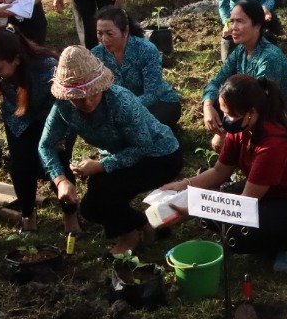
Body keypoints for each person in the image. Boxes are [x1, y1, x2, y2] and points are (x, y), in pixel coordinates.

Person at [162, 74, 287, 272]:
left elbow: (244, 204)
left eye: (230, 114)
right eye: (224, 113)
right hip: (266, 195)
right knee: (216, 218)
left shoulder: (272, 144)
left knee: (235, 236)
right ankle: (275, 233)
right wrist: (182, 185)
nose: (226, 120)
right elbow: (219, 171)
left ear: (251, 113)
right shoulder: (239, 129)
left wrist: (196, 208)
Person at [40, 46, 182, 254]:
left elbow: (143, 146)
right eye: (78, 98)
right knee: (90, 208)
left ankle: (130, 237)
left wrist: (102, 165)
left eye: (93, 94)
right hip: (122, 157)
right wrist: (60, 180)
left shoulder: (121, 102)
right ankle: (144, 222)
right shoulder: (63, 108)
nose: (87, 102)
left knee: (103, 190)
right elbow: (46, 144)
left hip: (160, 156)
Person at [0, 25, 78, 233]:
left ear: (17, 59)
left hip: (52, 115)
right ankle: (28, 213)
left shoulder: (48, 70)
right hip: (18, 117)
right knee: (21, 166)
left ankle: (71, 214)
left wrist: (58, 139)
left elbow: (64, 107)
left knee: (57, 163)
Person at [203, 0, 287, 149]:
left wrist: (225, 132)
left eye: (240, 22)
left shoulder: (269, 58)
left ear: (257, 25)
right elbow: (217, 82)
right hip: (254, 114)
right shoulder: (240, 51)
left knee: (246, 147)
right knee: (222, 97)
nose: (233, 27)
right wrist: (208, 105)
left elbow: (258, 105)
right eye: (231, 21)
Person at [91, 6, 181, 127]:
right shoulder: (97, 54)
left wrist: (124, 108)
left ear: (125, 31)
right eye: (100, 33)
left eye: (110, 33)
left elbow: (152, 94)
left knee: (134, 124)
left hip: (158, 103)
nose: (104, 39)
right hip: (120, 107)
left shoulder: (146, 50)